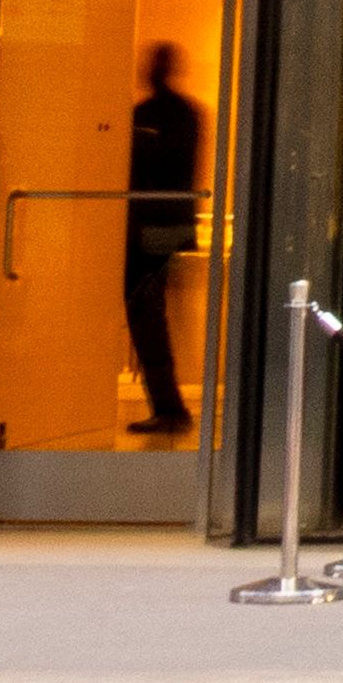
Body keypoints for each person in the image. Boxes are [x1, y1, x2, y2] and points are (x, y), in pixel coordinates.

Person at [122, 41, 201, 436]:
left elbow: (156, 167)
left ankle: (169, 407)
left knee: (147, 315)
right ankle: (169, 406)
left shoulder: (154, 115)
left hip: (151, 227)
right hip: (166, 225)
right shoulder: (184, 113)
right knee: (149, 315)